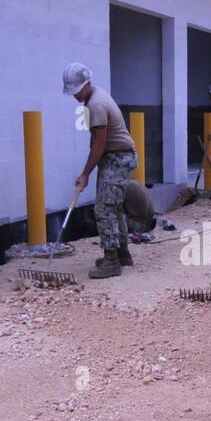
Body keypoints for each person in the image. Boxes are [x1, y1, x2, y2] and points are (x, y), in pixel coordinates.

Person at [63, 61, 138, 279]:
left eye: (76, 91)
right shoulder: (95, 95)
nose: (74, 96)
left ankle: (112, 262)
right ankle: (122, 254)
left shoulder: (95, 105)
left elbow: (99, 143)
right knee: (113, 206)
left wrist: (85, 173)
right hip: (115, 156)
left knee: (104, 208)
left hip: (118, 157)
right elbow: (97, 141)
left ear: (86, 84)